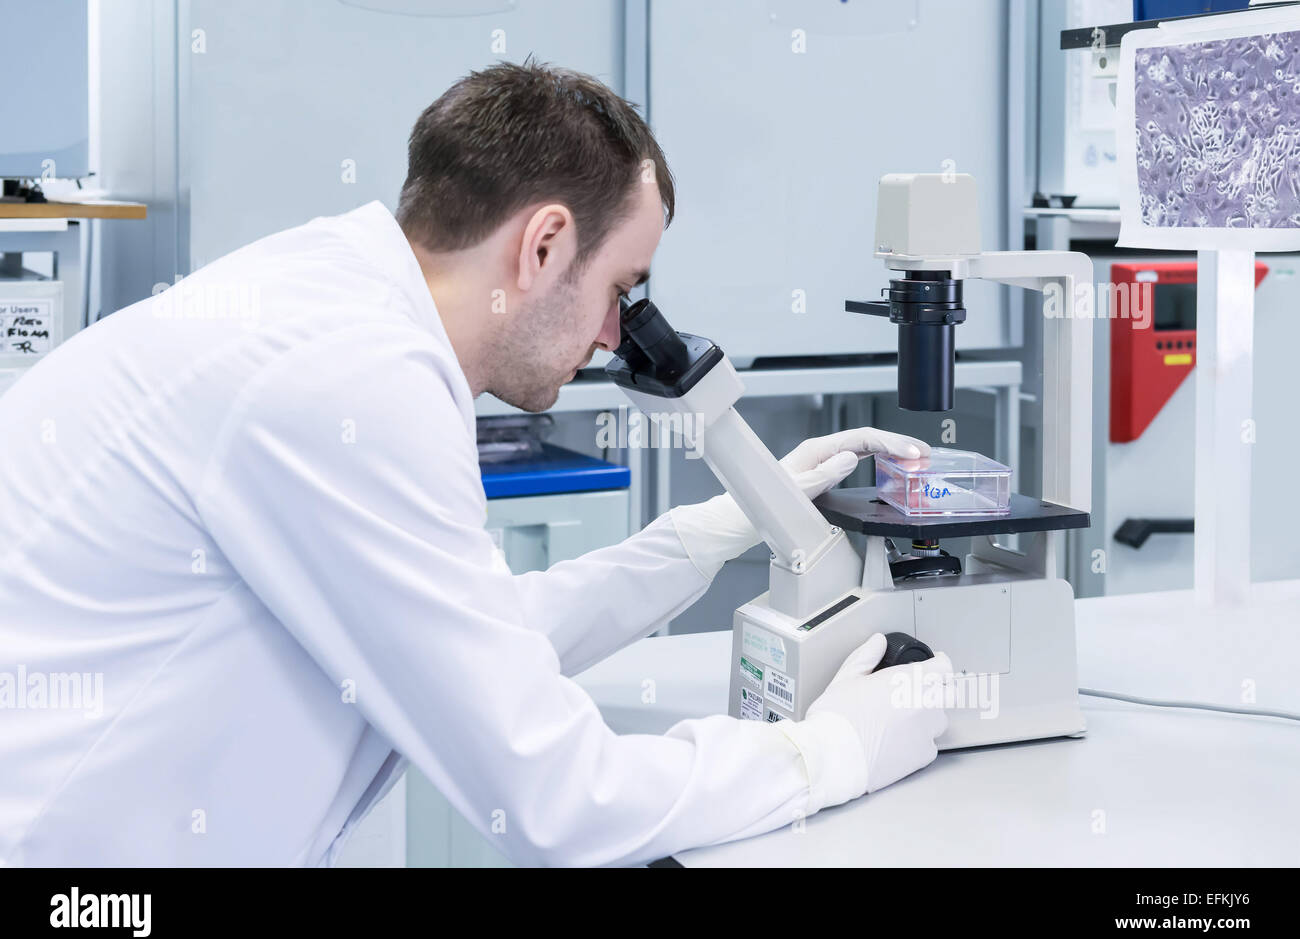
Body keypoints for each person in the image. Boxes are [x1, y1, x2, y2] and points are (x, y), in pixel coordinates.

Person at [0, 60, 949, 867]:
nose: (616, 334)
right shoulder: (352, 379)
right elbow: (559, 798)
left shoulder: (334, 300)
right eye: (619, 288)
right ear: (544, 244)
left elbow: (461, 639)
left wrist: (705, 535)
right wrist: (828, 753)